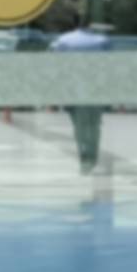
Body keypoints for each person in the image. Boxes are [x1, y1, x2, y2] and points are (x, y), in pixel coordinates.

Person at [50, 20, 112, 174]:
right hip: (96, 90)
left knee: (79, 126)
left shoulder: (63, 40)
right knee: (94, 125)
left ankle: (84, 157)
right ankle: (92, 157)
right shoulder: (102, 41)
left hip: (72, 90)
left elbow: (56, 68)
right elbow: (111, 67)